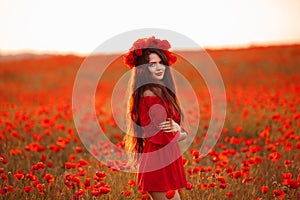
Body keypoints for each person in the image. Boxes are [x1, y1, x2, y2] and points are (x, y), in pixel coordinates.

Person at [123, 36, 188, 200]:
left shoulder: (162, 91)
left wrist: (178, 130)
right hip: (158, 163)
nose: (159, 68)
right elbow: (158, 135)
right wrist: (180, 133)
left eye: (161, 62)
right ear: (143, 68)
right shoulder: (148, 94)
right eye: (152, 64)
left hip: (167, 159)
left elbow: (173, 129)